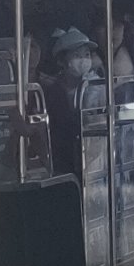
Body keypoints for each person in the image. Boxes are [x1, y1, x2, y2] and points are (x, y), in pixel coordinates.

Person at [41, 26, 99, 177]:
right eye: (77, 55)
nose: (83, 60)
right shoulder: (54, 92)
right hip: (66, 164)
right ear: (61, 61)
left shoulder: (95, 86)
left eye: (86, 55)